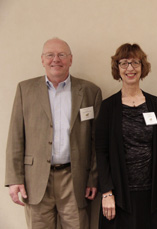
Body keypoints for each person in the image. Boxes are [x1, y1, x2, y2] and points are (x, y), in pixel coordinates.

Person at [5, 38, 102, 228]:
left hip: (75, 179)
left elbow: (96, 141)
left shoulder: (90, 91)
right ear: (42, 59)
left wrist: (93, 177)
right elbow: (16, 137)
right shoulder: (25, 90)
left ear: (71, 59)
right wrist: (14, 179)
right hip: (36, 180)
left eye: (62, 55)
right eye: (50, 55)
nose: (55, 59)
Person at [95, 43, 157, 229]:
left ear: (142, 67)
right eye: (124, 63)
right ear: (117, 68)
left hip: (153, 193)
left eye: (135, 63)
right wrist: (106, 192)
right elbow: (101, 151)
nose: (130, 68)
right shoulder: (108, 107)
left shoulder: (155, 104)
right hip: (120, 195)